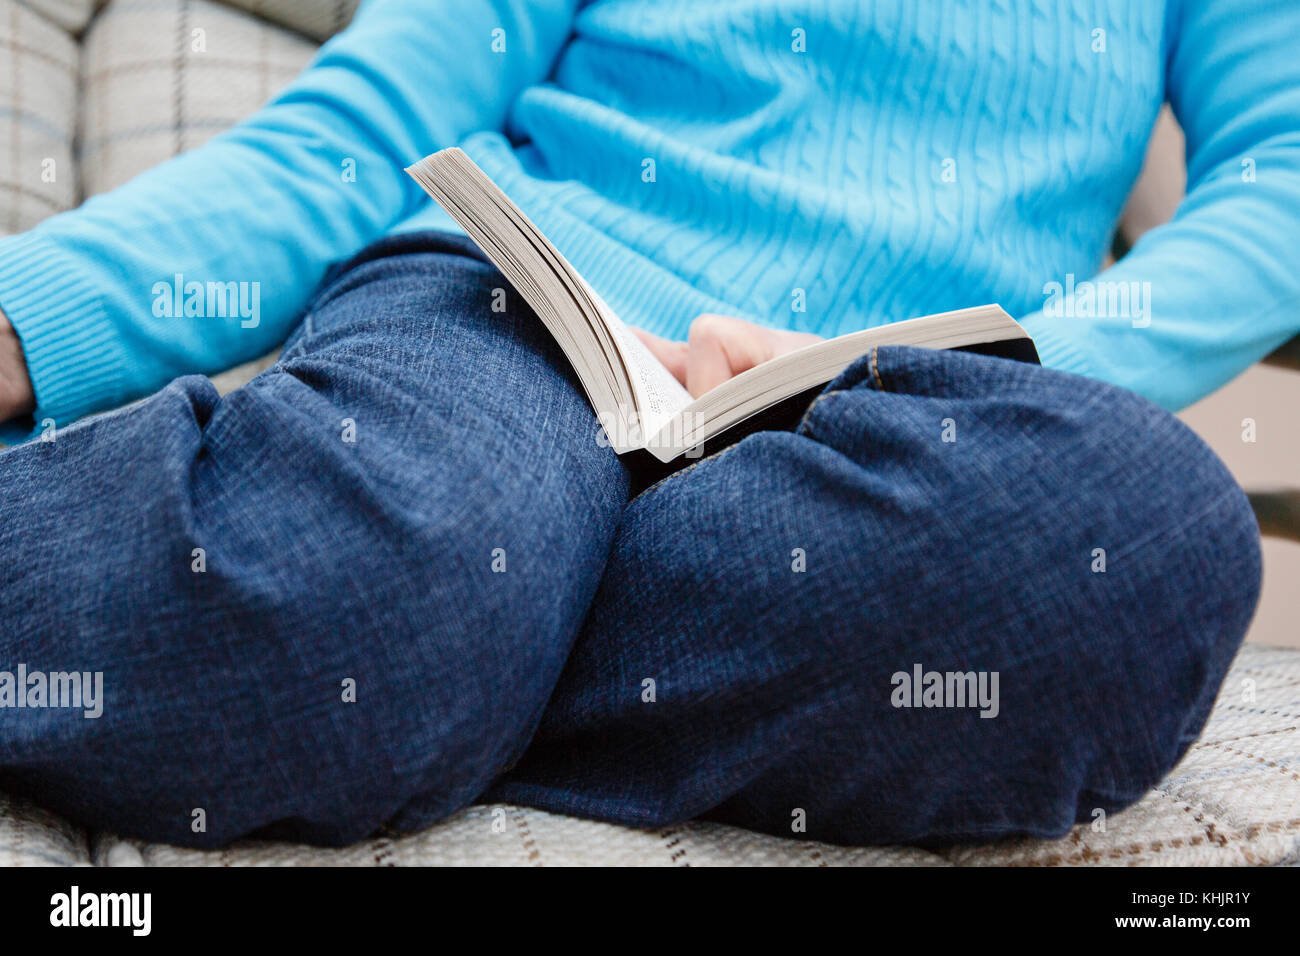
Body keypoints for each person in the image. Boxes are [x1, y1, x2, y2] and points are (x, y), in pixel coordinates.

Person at [0, 0, 1291, 849]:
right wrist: (24, 323)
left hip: (890, 425)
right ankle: (395, 618)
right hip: (525, 305)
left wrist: (948, 361)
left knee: (1140, 549)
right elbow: (351, 138)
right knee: (392, 551)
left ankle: (409, 644)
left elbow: (1280, 175)